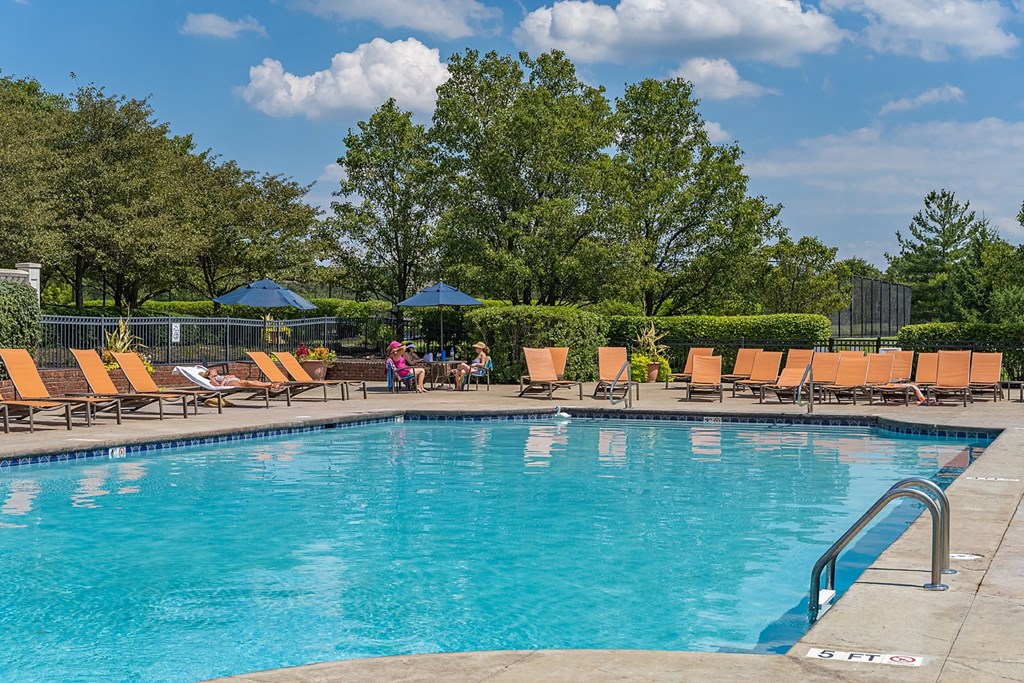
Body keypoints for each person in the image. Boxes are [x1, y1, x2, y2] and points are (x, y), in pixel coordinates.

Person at [201, 366, 283, 390]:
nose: (215, 372)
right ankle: (269, 386)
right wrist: (225, 379)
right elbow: (218, 386)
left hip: (234, 380)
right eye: (213, 371)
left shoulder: (217, 376)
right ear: (209, 374)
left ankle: (272, 384)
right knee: (248, 384)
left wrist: (230, 376)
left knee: (255, 381)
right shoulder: (212, 379)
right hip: (230, 383)